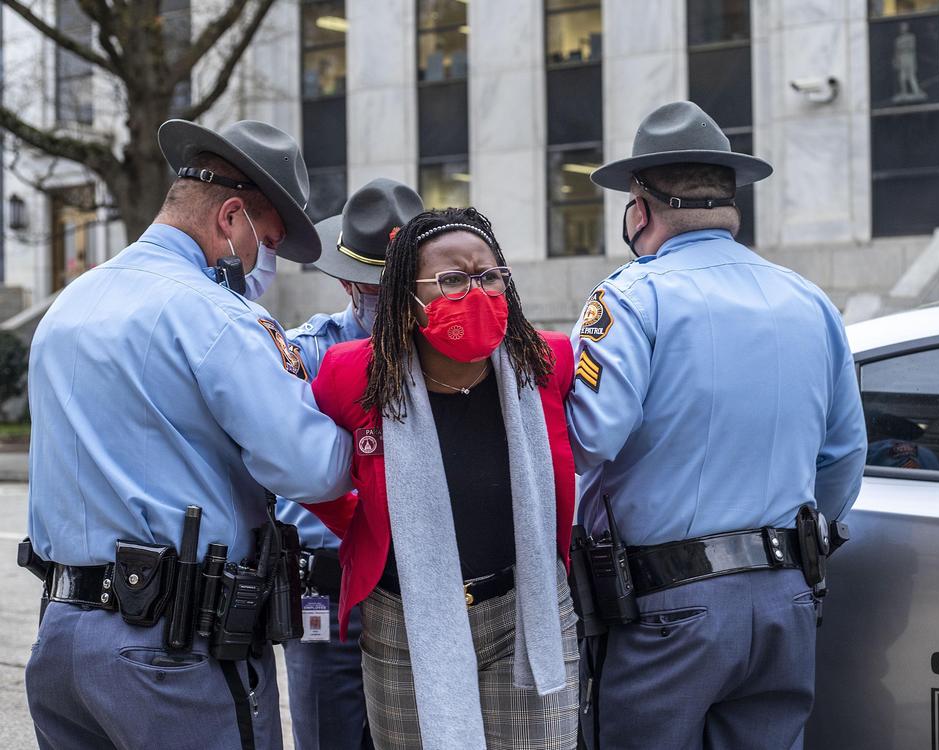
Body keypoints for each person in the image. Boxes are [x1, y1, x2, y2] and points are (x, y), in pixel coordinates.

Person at [22, 119, 354, 750]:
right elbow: (310, 467)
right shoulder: (216, 316)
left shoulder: (70, 304)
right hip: (171, 655)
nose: (268, 263)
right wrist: (363, 426)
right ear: (231, 219)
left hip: (63, 638)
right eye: (270, 242)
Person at [566, 101, 867, 750]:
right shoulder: (808, 299)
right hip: (787, 594)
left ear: (639, 209)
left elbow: (587, 440)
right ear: (728, 199)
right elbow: (843, 457)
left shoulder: (630, 296)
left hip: (668, 611)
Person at [304, 207, 580, 750]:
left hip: (524, 610)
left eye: (488, 276)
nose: (475, 292)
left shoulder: (547, 361)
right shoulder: (351, 373)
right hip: (402, 622)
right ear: (407, 298)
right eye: (452, 279)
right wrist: (363, 527)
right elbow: (306, 471)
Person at [277, 178, 423, 750]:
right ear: (345, 283)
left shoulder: (449, 358)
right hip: (327, 587)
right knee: (326, 734)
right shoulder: (308, 352)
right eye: (373, 288)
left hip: (418, 584)